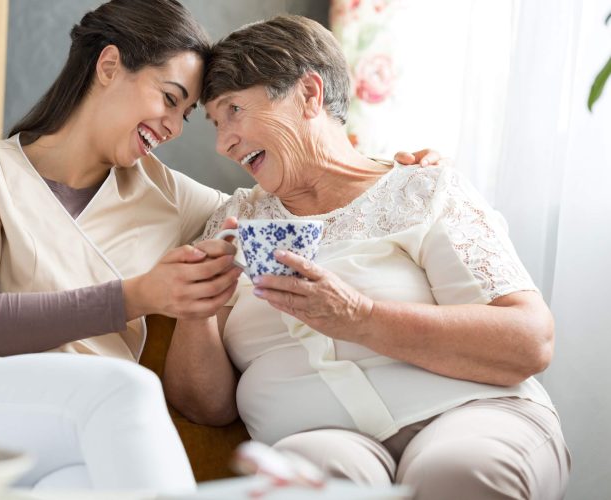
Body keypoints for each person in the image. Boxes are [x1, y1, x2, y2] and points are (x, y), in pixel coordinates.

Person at [0, 0, 434, 492]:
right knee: (129, 388)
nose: (172, 128)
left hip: (82, 436)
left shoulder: (170, 197)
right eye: (169, 98)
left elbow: (288, 199)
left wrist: (387, 176)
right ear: (110, 65)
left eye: (185, 116)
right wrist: (138, 296)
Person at [163, 14, 571, 500]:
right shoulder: (231, 222)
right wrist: (197, 312)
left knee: (457, 471)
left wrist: (360, 317)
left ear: (309, 94)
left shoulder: (423, 189)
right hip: (321, 439)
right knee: (308, 482)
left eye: (234, 110)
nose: (223, 142)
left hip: (471, 412)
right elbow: (206, 407)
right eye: (215, 121)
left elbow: (528, 343)